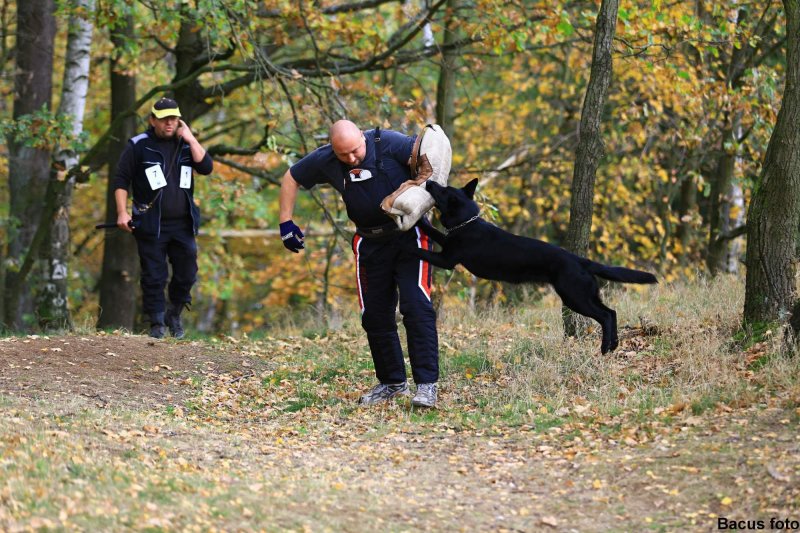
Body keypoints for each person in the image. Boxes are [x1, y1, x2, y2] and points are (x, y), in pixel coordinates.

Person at [279, 120, 440, 408]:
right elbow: (291, 177)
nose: (352, 158)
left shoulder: (390, 143)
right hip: (368, 242)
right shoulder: (325, 158)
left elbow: (431, 153)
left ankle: (427, 385)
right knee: (375, 315)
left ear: (362, 139)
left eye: (355, 151)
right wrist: (285, 222)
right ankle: (392, 383)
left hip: (409, 236)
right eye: (344, 155)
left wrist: (427, 190)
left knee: (416, 306)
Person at [113, 97, 213, 339]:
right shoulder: (138, 145)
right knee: (154, 275)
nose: (169, 123)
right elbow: (120, 180)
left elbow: (207, 167)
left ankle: (174, 313)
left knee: (187, 272)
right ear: (152, 120)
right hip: (150, 222)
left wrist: (190, 138)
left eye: (174, 118)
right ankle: (156, 322)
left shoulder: (187, 145)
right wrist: (122, 212)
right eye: (164, 118)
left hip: (183, 224)